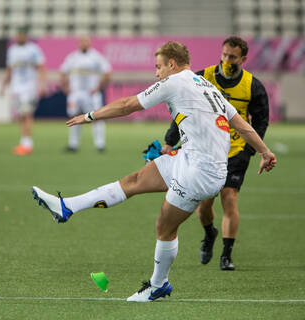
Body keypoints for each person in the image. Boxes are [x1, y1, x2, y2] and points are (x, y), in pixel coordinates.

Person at [31, 41, 276, 302]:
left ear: (172, 64)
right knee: (134, 180)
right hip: (189, 157)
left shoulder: (175, 81)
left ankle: (158, 285)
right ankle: (66, 206)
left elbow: (127, 105)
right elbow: (240, 123)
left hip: (200, 174)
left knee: (164, 227)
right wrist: (265, 152)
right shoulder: (207, 86)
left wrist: (89, 116)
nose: (156, 73)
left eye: (158, 67)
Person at [162, 36, 269, 271]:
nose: (227, 60)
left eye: (232, 57)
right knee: (204, 207)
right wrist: (170, 141)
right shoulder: (203, 77)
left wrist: (250, 150)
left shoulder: (253, 86)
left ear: (243, 59)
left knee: (229, 198)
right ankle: (209, 232)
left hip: (236, 151)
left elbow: (260, 121)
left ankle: (226, 255)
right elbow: (182, 111)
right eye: (224, 55)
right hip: (205, 151)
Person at [60, 35, 112, 152]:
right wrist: (66, 88)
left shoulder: (96, 57)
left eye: (86, 41)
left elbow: (108, 72)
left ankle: (100, 144)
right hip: (76, 93)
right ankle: (73, 144)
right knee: (74, 118)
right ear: (78, 43)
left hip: (91, 93)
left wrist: (99, 87)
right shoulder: (73, 57)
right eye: (82, 42)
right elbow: (63, 72)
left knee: (97, 117)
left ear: (89, 43)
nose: (84, 44)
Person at [0, 27, 46, 155]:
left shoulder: (33, 50)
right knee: (21, 115)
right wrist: (3, 86)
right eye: (18, 35)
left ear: (26, 36)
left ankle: (27, 144)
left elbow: (41, 68)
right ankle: (24, 142)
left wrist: (42, 85)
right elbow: (9, 70)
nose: (19, 37)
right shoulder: (12, 50)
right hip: (16, 88)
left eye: (21, 35)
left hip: (29, 88)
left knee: (27, 114)